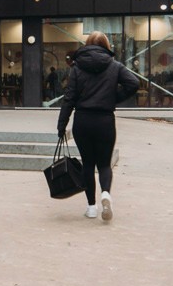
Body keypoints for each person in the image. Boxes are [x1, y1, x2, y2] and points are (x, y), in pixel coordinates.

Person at [55, 30, 140, 221]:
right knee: (104, 164)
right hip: (105, 121)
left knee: (87, 164)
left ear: (87, 45)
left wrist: (61, 125)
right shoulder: (114, 66)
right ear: (107, 46)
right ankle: (106, 194)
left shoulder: (77, 68)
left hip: (83, 121)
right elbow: (134, 83)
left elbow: (69, 98)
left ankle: (91, 207)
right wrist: (113, 98)